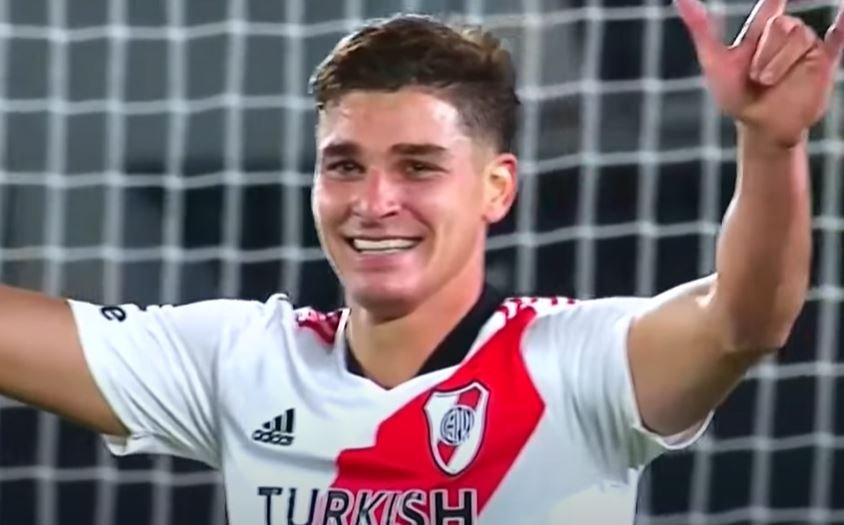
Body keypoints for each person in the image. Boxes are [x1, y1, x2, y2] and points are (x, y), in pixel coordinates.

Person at [0, 0, 840, 523]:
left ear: (496, 187)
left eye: (418, 166)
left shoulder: (574, 363)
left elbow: (745, 318)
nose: (374, 201)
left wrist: (770, 144)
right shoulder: (242, 361)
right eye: (344, 165)